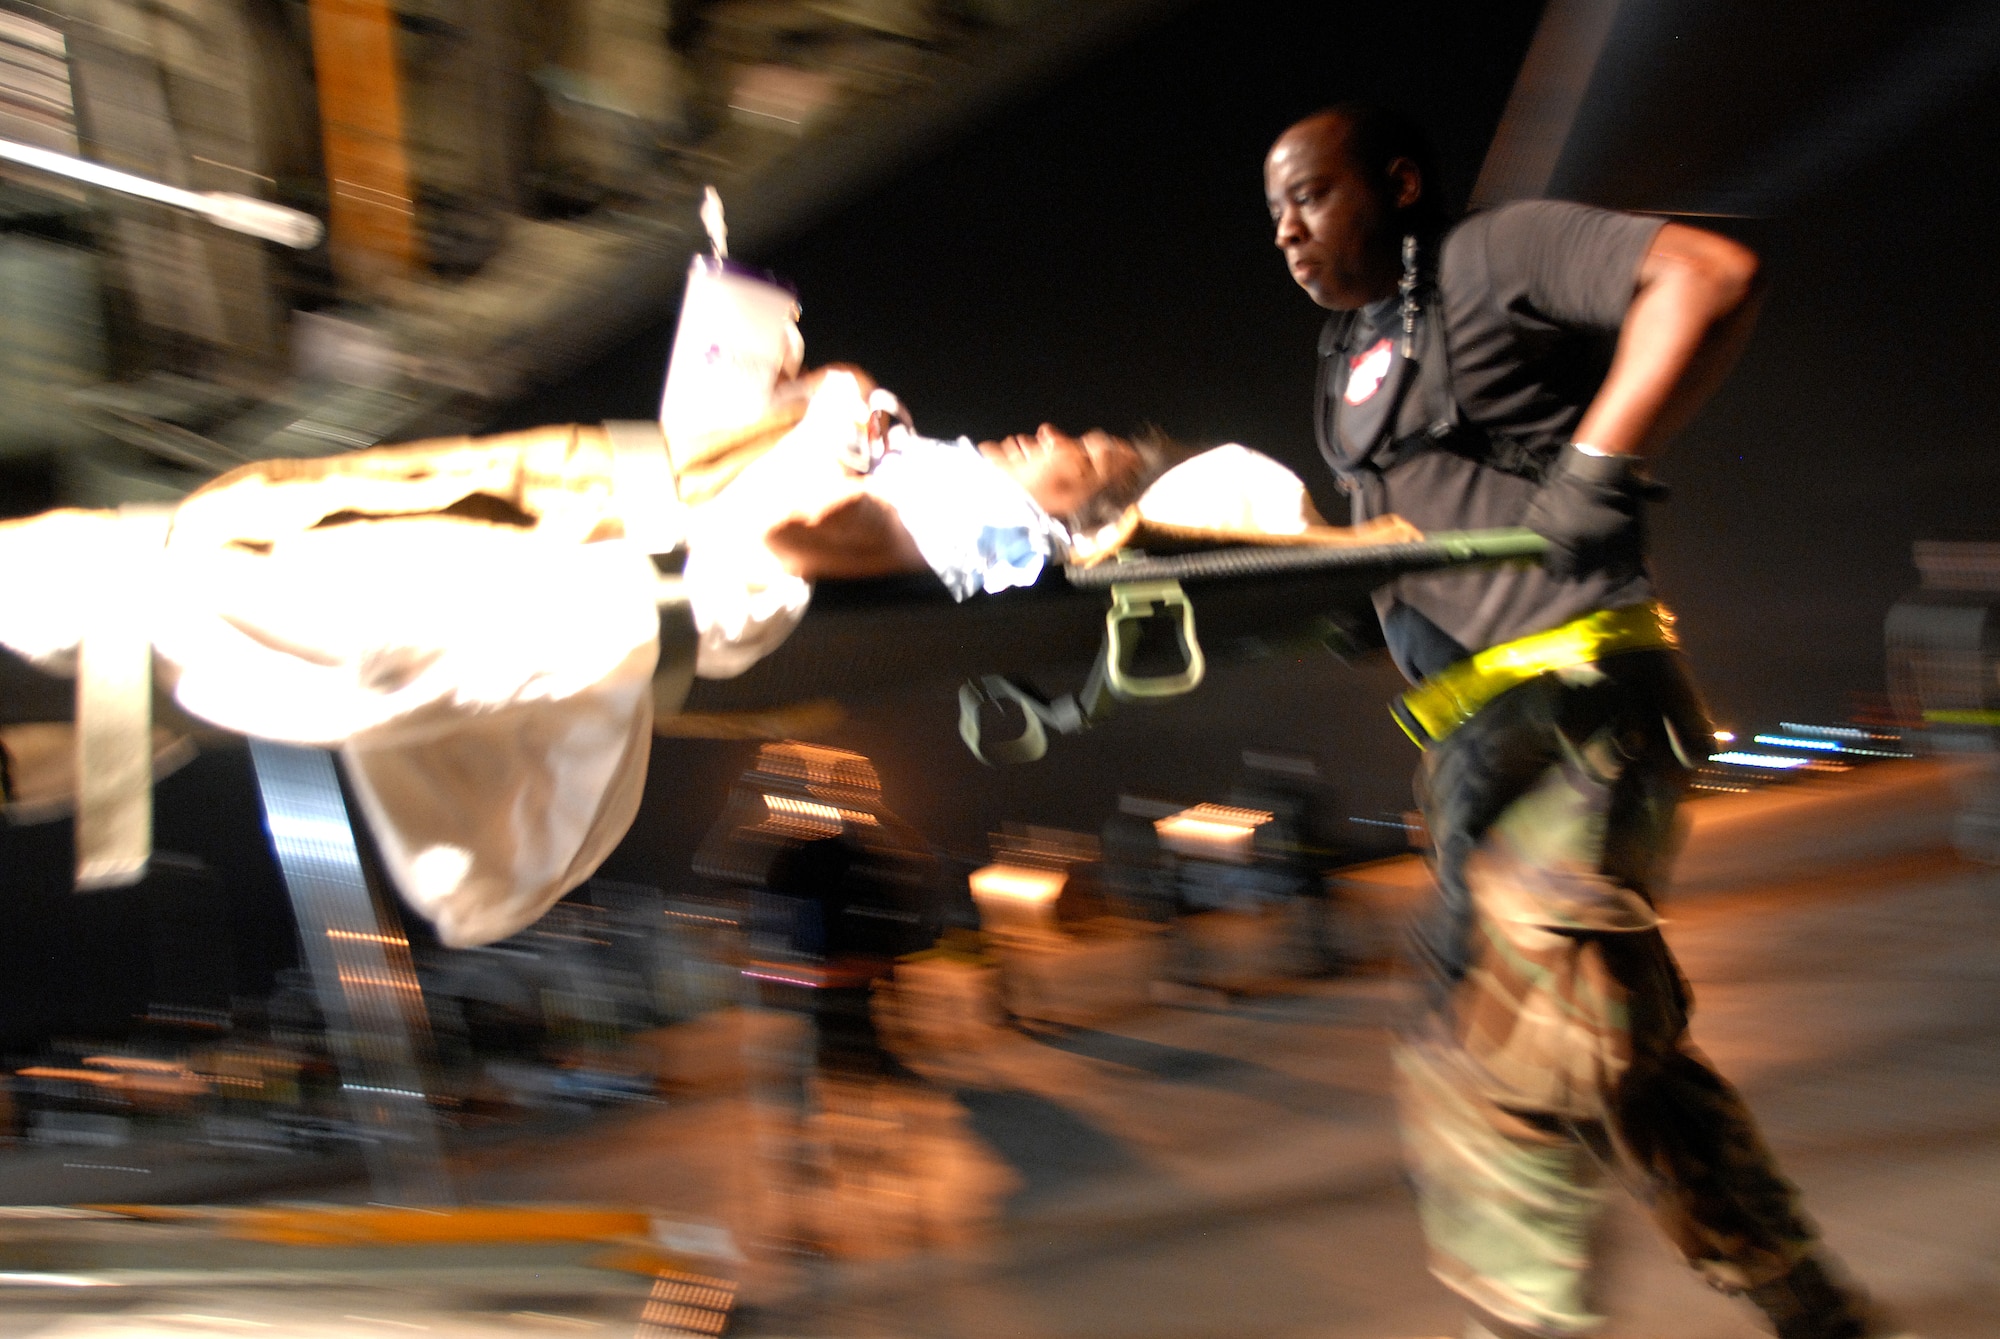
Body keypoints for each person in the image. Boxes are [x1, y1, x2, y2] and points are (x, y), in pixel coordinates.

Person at [0, 368, 1354, 948]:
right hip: (594, 583)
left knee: (221, 599)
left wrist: (831, 417)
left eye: (1087, 451)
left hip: (591, 589)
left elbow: (808, 532)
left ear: (1090, 508)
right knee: (229, 608)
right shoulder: (971, 494)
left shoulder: (994, 532)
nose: (1051, 428)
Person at [1264, 105, 1895, 1339]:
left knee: (1502, 1047)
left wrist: (1598, 463)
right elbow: (1406, 543)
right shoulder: (1347, 359)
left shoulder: (1494, 255)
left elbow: (1706, 277)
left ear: (1395, 184)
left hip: (1582, 712)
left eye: (1312, 194)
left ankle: (1519, 1322)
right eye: (1273, 210)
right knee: (1613, 1050)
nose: (1286, 228)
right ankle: (1801, 1294)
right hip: (1469, 754)